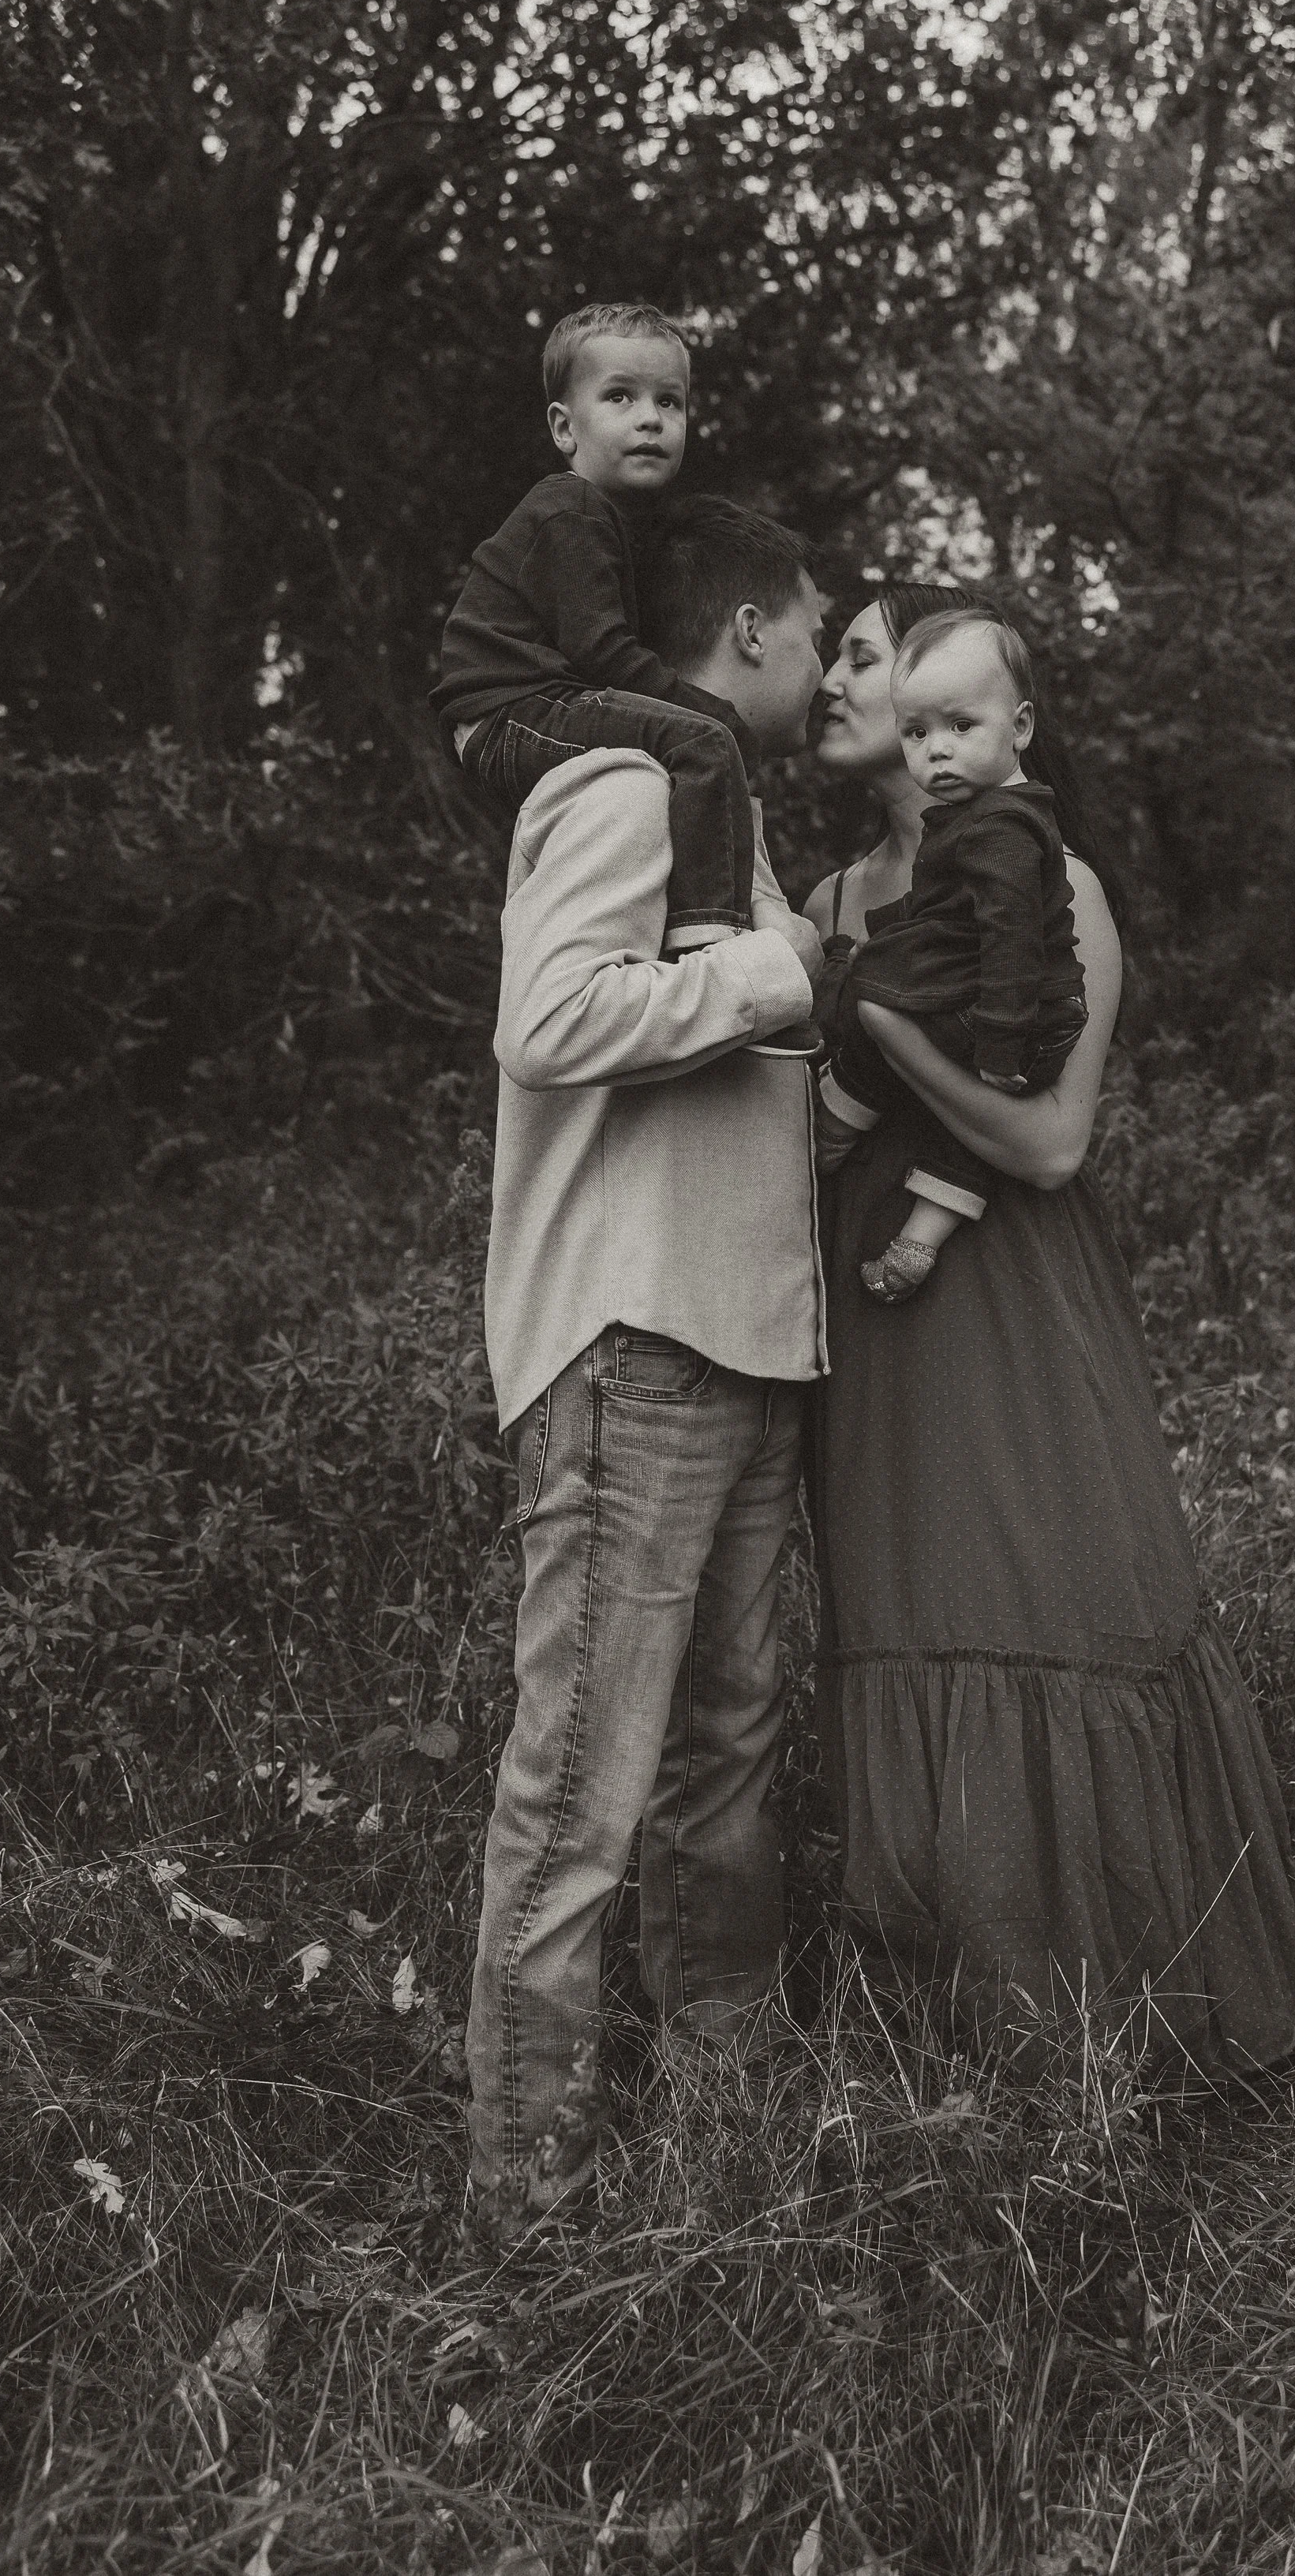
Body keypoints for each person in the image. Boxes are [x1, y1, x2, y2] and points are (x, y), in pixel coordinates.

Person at [804, 585, 1295, 2072]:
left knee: (1050, 1596)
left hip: (1005, 1291)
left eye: (867, 656)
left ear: (967, 710)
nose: (842, 683)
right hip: (868, 1306)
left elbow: (1048, 1145)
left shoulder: (1056, 882)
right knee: (904, 1616)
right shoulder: (830, 902)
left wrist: (890, 1037)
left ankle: (1129, 2018)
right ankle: (958, 2019)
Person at [463, 496, 829, 2244]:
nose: (826, 665)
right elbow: (549, 1020)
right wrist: (775, 973)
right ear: (746, 631)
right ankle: (526, 2204)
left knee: (722, 1762)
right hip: (635, 1352)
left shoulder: (725, 819)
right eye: (816, 630)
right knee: (584, 1791)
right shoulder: (623, 788)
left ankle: (725, 2121)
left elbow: (740, 1060)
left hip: (739, 1351)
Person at [433, 301, 770, 959]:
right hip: (509, 709)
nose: (651, 418)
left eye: (670, 402)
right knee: (705, 741)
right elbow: (603, 653)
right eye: (621, 396)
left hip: (530, 708)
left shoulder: (617, 521)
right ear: (565, 426)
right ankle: (709, 943)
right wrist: (715, 713)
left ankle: (678, 920)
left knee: (679, 751)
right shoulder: (571, 508)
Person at [815, 609, 1087, 1303]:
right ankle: (915, 1238)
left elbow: (1010, 938)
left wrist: (997, 1037)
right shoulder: (845, 888)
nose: (937, 750)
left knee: (876, 992)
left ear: (1019, 727)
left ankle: (832, 1124)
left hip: (1008, 1018)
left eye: (960, 727)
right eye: (918, 732)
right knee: (889, 1002)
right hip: (999, 1018)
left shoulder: (1002, 831)